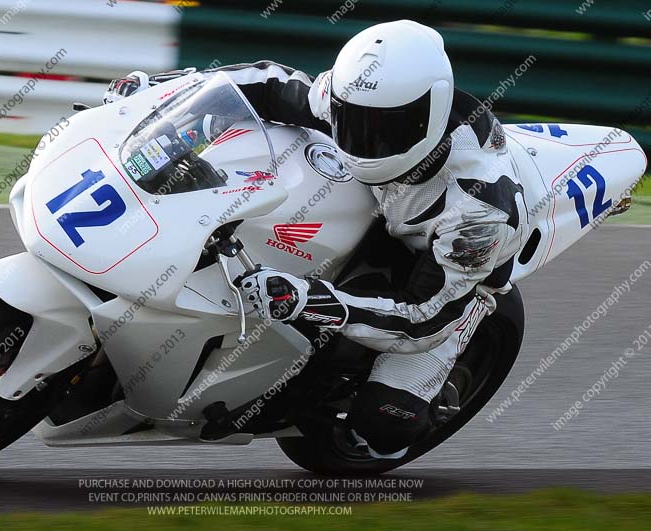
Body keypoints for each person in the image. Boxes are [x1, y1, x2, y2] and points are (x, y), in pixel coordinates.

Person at [104, 20, 529, 459]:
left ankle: (436, 376)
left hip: (442, 278)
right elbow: (265, 84)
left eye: (386, 128)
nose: (366, 138)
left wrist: (307, 300)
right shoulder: (355, 98)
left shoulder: (481, 212)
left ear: (430, 116)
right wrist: (159, 94)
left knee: (383, 427)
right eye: (353, 120)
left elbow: (421, 319)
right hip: (375, 206)